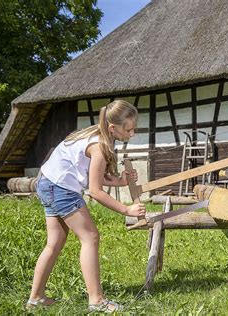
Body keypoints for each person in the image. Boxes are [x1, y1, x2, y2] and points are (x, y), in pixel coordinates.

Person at [27, 100, 146, 313]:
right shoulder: (100, 146)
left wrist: (119, 181)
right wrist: (127, 210)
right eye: (128, 129)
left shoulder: (95, 134)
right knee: (90, 237)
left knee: (54, 243)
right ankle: (97, 300)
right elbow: (95, 190)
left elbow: (91, 174)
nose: (132, 133)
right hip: (60, 188)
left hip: (48, 182)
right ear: (112, 128)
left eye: (133, 128)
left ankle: (35, 298)